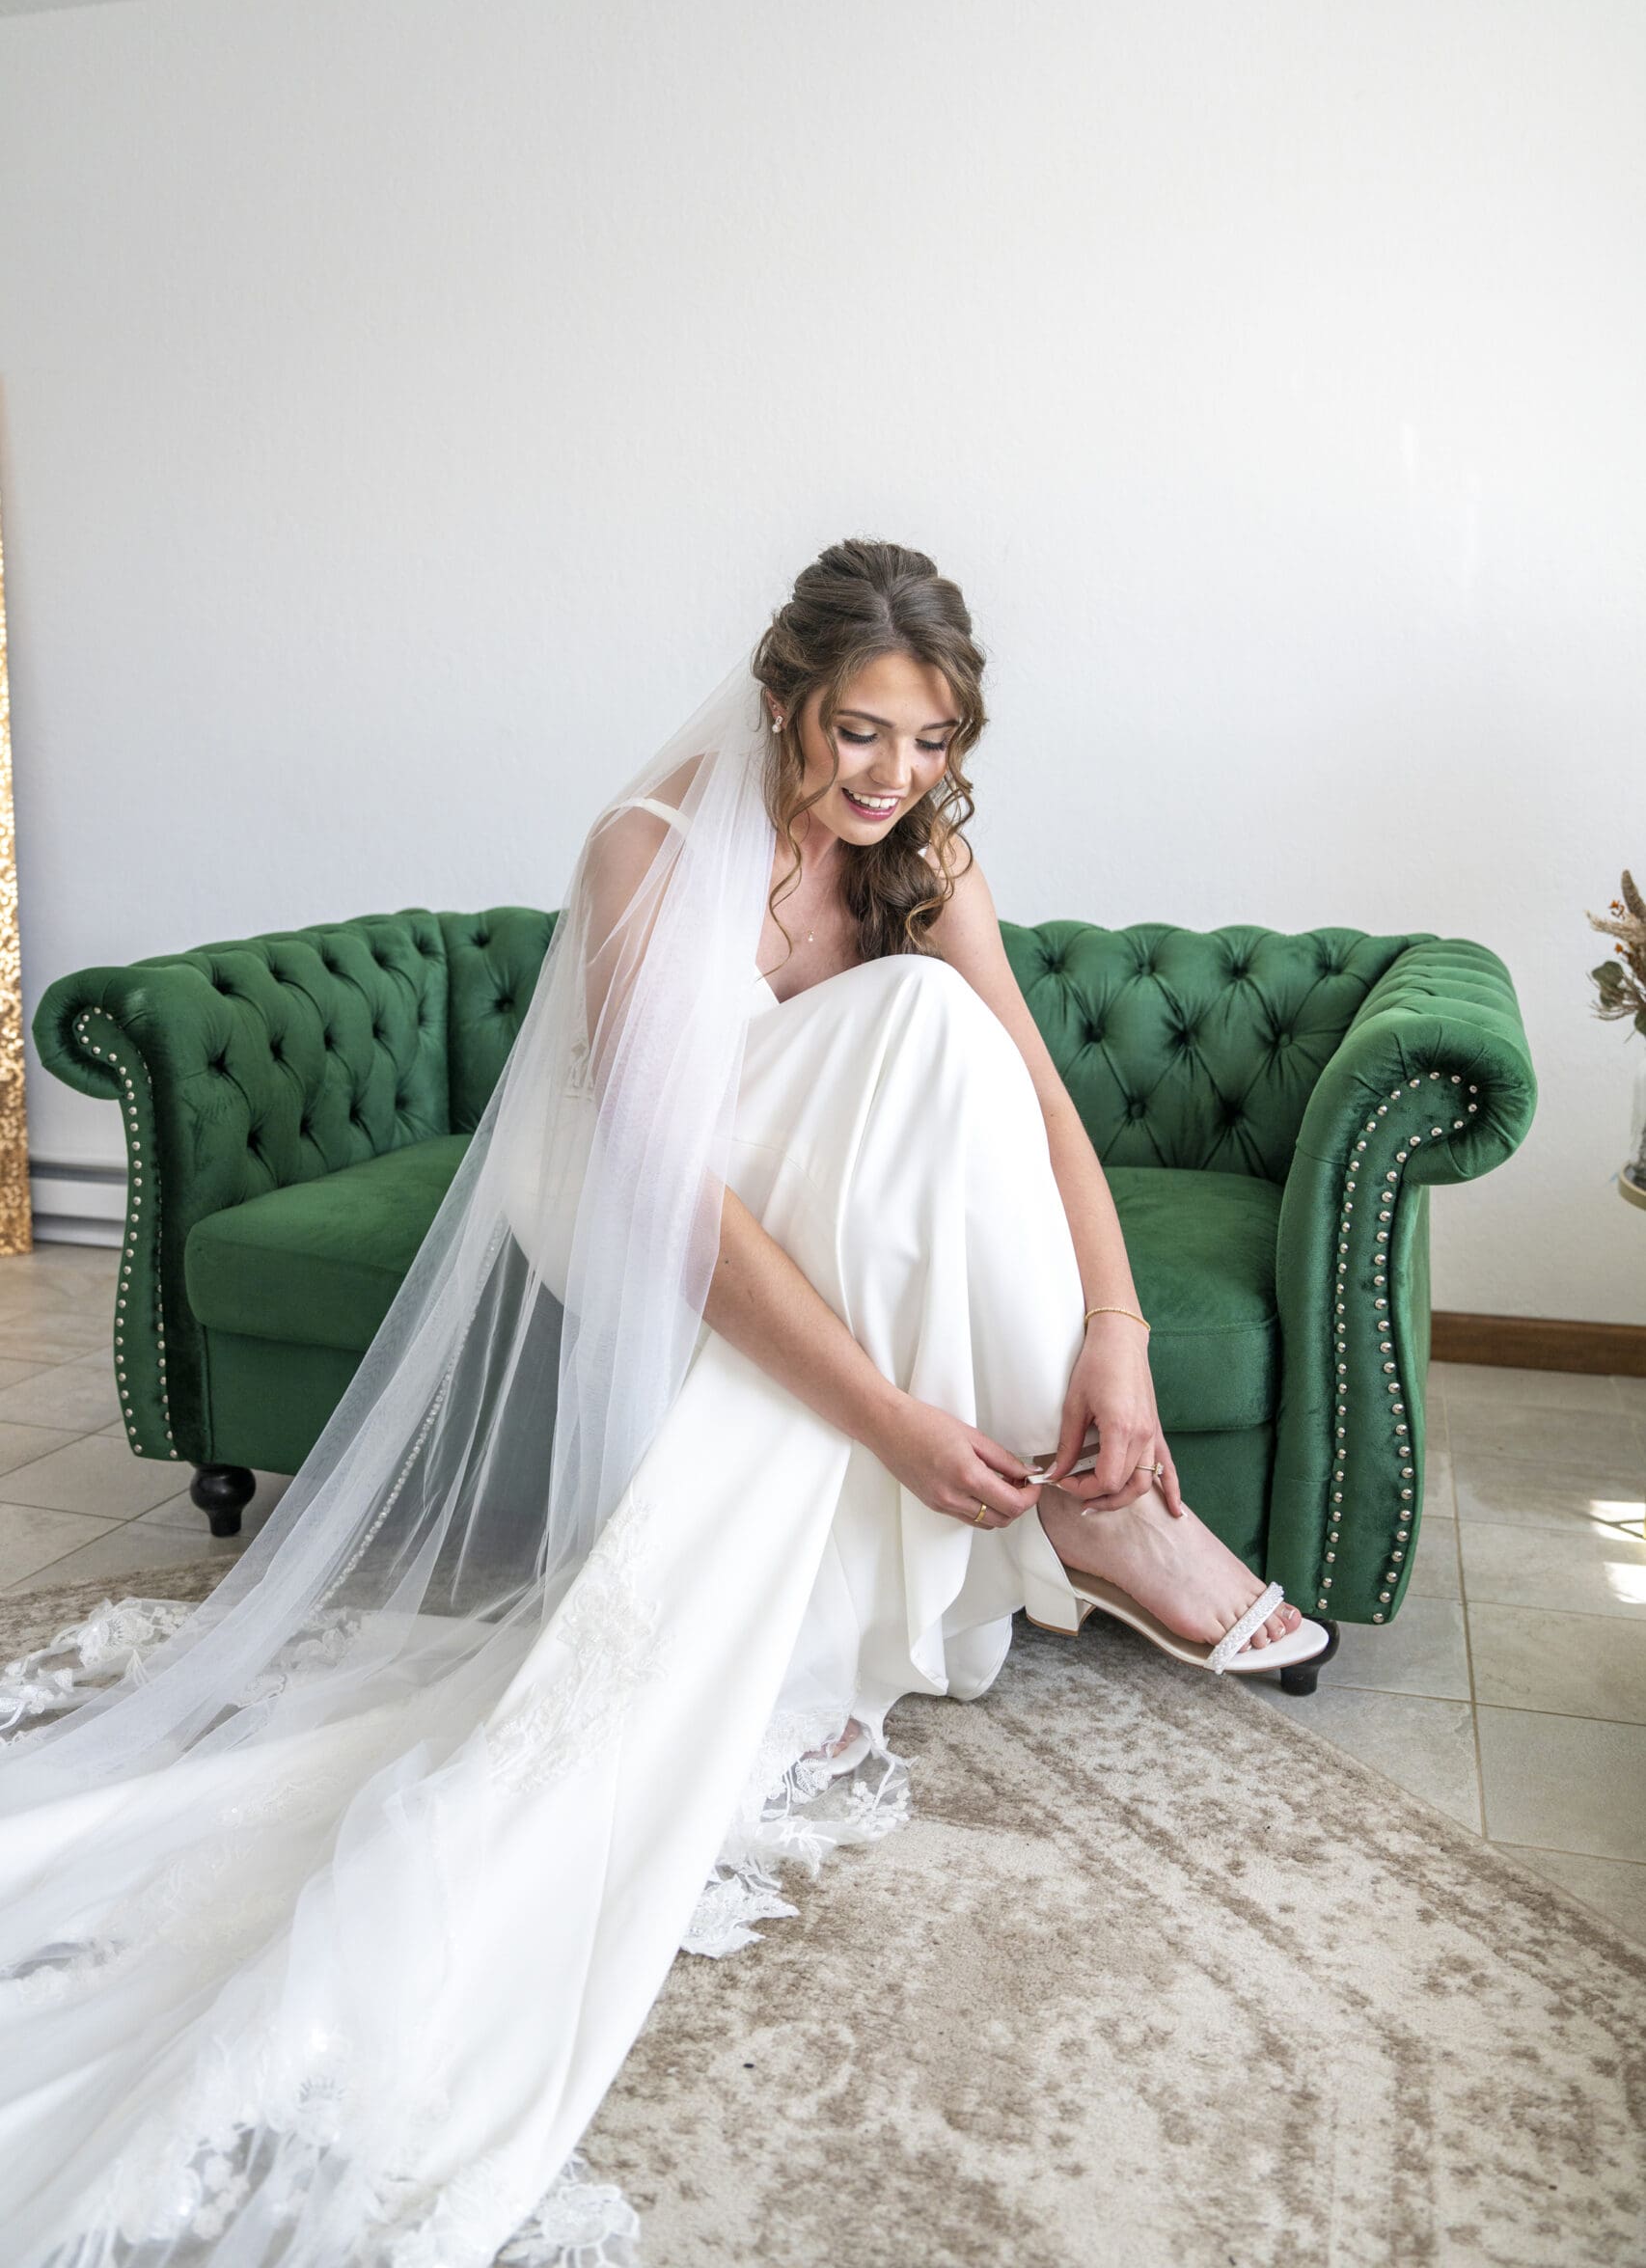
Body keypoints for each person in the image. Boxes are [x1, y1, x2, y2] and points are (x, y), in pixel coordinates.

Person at [0, 539, 1328, 2266]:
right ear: (782, 700)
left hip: (815, 1125)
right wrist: (892, 1423)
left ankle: (1100, 1479)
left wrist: (1117, 1332)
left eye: (929, 746)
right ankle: (1103, 1515)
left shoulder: (925, 861)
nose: (892, 782)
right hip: (629, 1178)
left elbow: (1041, 1101)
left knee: (941, 1035)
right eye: (860, 734)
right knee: (920, 1038)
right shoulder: (648, 848)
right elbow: (670, 1202)